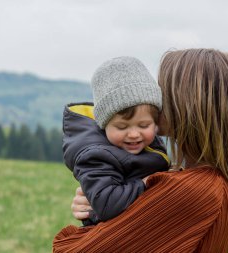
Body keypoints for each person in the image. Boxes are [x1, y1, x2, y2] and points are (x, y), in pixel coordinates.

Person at [53, 48, 228, 252]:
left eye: (161, 92)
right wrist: (100, 205)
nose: (152, 102)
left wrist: (95, 217)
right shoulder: (208, 182)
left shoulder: (195, 190)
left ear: (185, 104)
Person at [62, 56, 170, 226]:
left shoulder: (145, 145)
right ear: (104, 125)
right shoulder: (96, 156)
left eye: (144, 125)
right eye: (121, 127)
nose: (134, 134)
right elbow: (107, 205)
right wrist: (150, 182)